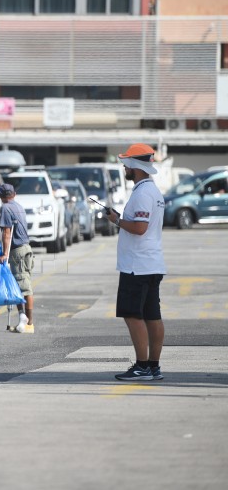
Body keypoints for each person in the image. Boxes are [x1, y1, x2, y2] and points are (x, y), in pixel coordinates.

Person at [109, 143, 166, 381]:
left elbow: (140, 228)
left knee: (133, 315)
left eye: (126, 163)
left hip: (137, 266)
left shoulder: (142, 193)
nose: (124, 167)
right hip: (151, 263)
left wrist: (117, 221)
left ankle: (142, 366)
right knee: (152, 316)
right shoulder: (152, 191)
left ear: (135, 166)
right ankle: (153, 366)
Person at [0, 183, 35, 333]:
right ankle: (23, 319)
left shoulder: (5, 208)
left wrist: (5, 253)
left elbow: (7, 233)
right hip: (26, 248)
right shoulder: (18, 206)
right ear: (14, 194)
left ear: (1, 196)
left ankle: (29, 324)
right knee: (19, 286)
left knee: (24, 287)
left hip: (17, 250)